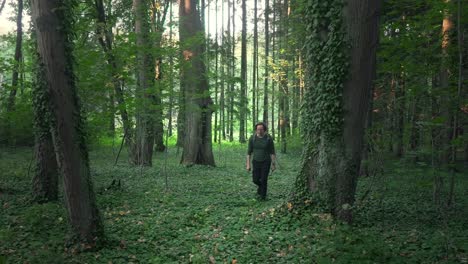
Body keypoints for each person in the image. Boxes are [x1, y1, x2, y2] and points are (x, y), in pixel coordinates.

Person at [246, 122, 276, 200]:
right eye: (258, 129)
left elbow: (272, 152)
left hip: (266, 161)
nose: (259, 131)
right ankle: (260, 187)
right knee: (255, 179)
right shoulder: (252, 138)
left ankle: (263, 196)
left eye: (261, 129)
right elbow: (249, 153)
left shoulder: (268, 138)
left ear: (264, 130)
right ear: (256, 130)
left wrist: (273, 164)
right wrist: (248, 164)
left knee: (264, 179)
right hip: (256, 161)